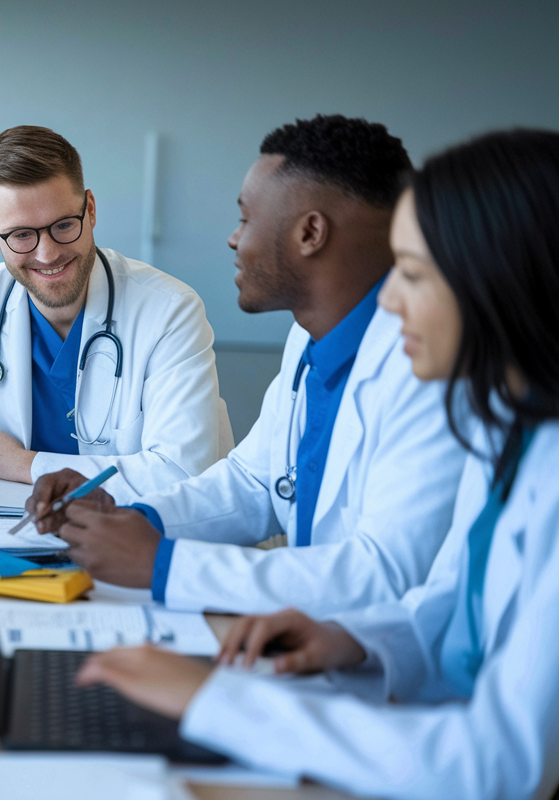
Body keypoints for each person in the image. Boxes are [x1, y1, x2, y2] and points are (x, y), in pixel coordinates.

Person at [76, 128, 559, 800]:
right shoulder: (511, 432)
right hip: (394, 714)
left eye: (413, 275)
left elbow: (499, 764)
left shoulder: (461, 401)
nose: (390, 302)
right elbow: (449, 601)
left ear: (501, 285)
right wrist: (355, 640)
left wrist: (219, 699)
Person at [30, 116, 467, 615]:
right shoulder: (309, 335)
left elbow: (387, 574)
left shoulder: (430, 367)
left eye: (245, 218)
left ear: (310, 233)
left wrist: (164, 565)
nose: (235, 239)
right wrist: (131, 519)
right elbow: (254, 482)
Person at [0, 125, 233, 510]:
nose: (47, 254)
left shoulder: (170, 310)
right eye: (22, 234)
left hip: (141, 537)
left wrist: (28, 465)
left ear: (89, 209)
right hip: (20, 533)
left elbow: (181, 474)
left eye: (63, 225)